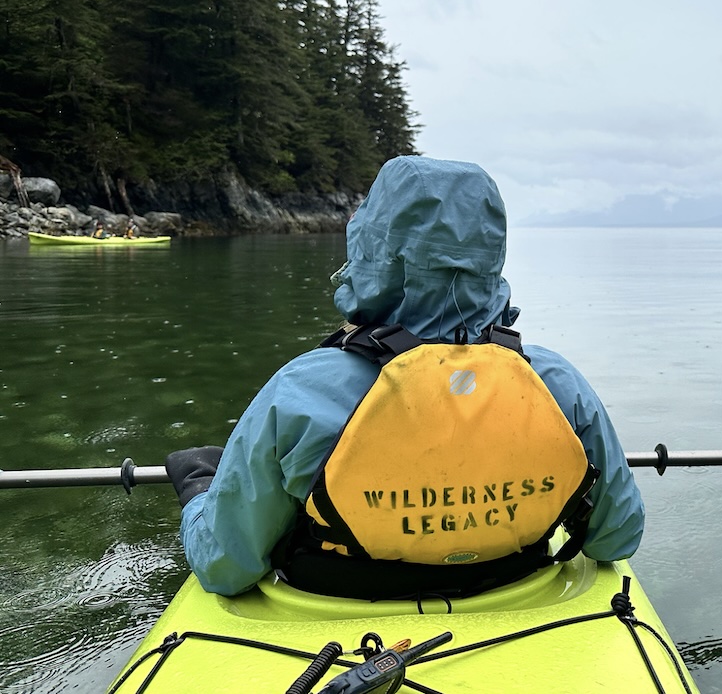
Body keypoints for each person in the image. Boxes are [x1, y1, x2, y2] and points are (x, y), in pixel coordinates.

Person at [165, 156, 645, 599]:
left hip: (336, 610)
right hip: (520, 591)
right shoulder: (559, 384)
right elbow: (616, 537)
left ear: (372, 250)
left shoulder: (301, 391)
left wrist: (200, 494)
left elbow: (227, 567)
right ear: (491, 255)